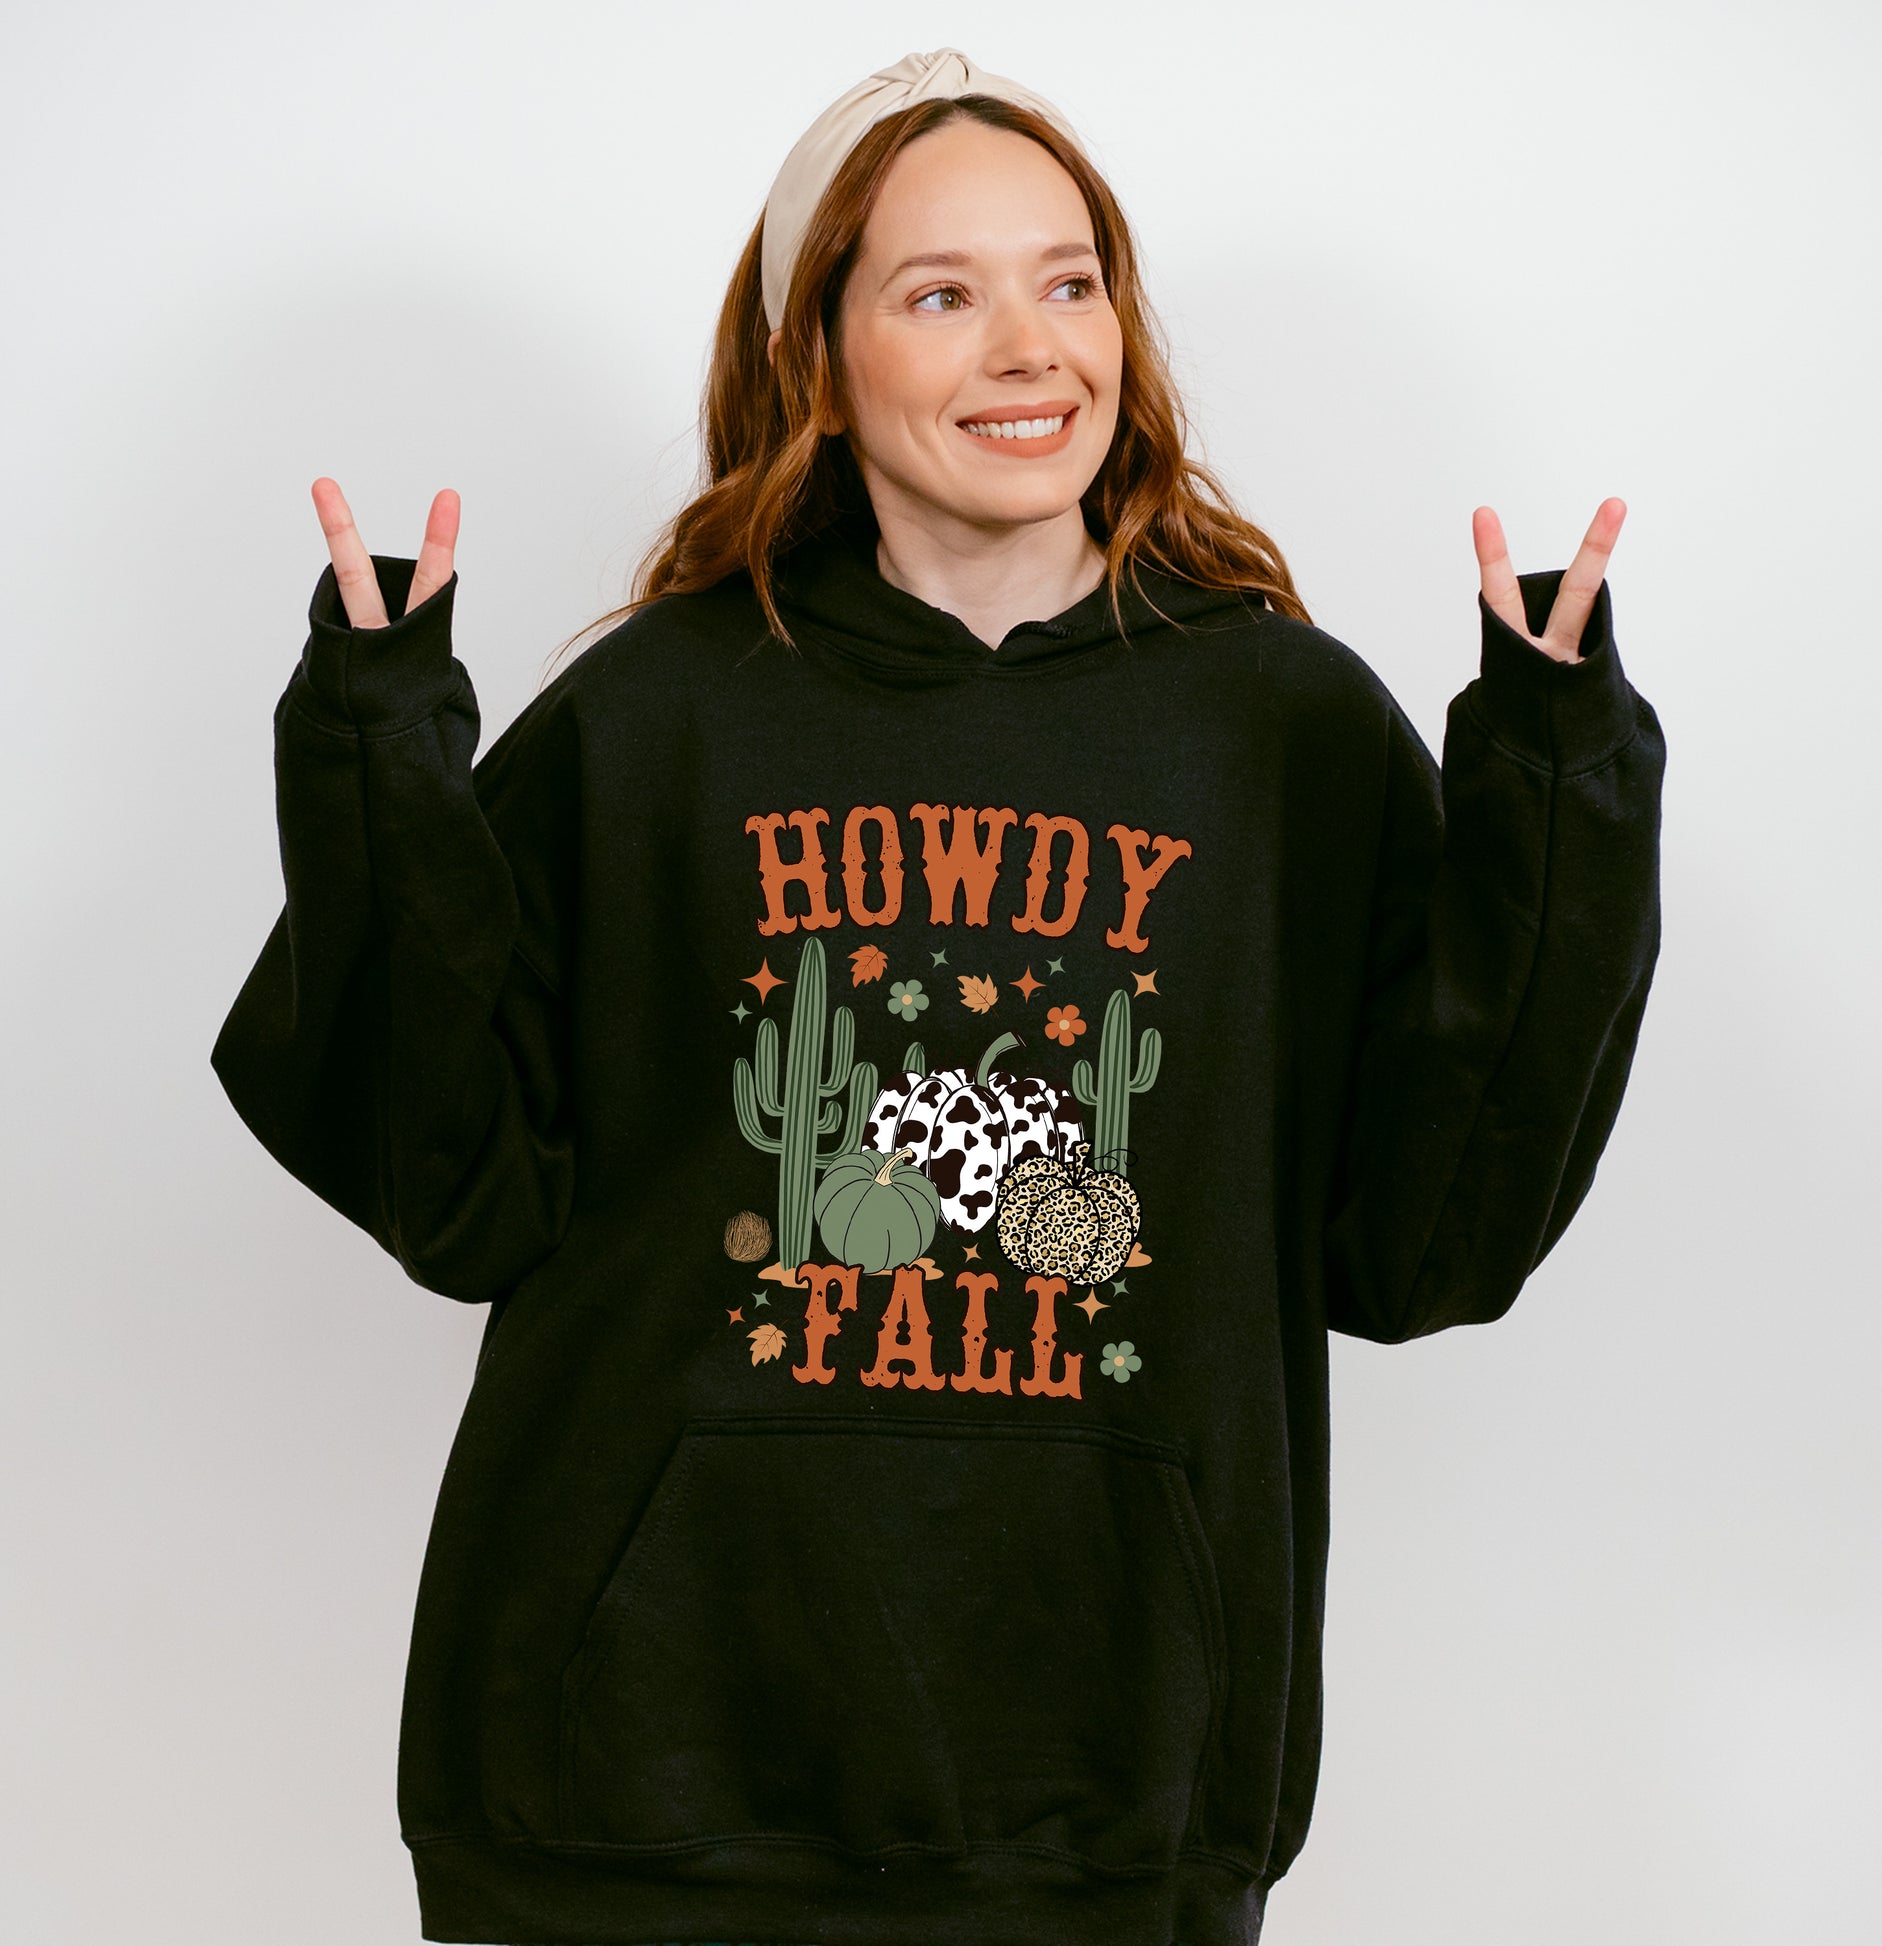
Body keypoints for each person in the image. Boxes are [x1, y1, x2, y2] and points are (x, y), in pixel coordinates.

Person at [211, 46, 1665, 1946]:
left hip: (1103, 1785)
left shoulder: (1275, 725)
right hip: (642, 1780)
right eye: (939, 293)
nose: (1027, 348)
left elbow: (1426, 1237)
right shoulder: (660, 710)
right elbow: (452, 1185)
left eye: (1069, 282)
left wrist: (1554, 771)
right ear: (818, 355)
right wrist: (378, 745)